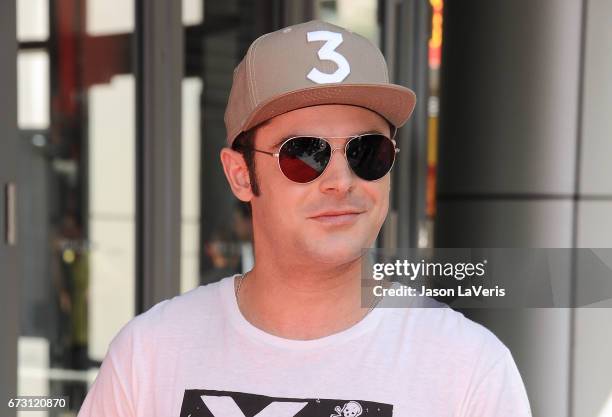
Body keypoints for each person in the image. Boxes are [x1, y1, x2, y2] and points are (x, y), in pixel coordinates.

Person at [77, 20, 532, 417]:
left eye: (366, 152)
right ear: (240, 174)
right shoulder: (149, 354)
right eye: (304, 154)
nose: (340, 180)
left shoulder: (467, 367)